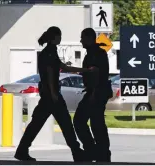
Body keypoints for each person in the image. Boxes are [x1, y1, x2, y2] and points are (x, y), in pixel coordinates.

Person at [14, 26, 95, 162]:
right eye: (60, 36)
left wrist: (85, 70)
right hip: (52, 96)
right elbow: (51, 73)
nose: (61, 38)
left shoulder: (49, 51)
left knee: (37, 124)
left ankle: (22, 150)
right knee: (65, 124)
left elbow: (63, 67)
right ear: (54, 37)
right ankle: (76, 152)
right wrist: (53, 93)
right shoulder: (50, 52)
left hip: (48, 95)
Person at [73, 28, 112, 162]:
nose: (81, 41)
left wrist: (93, 93)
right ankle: (99, 152)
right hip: (95, 92)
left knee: (86, 121)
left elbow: (97, 74)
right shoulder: (93, 53)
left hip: (96, 92)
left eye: (82, 38)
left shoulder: (96, 54)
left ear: (89, 38)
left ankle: (96, 151)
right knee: (95, 122)